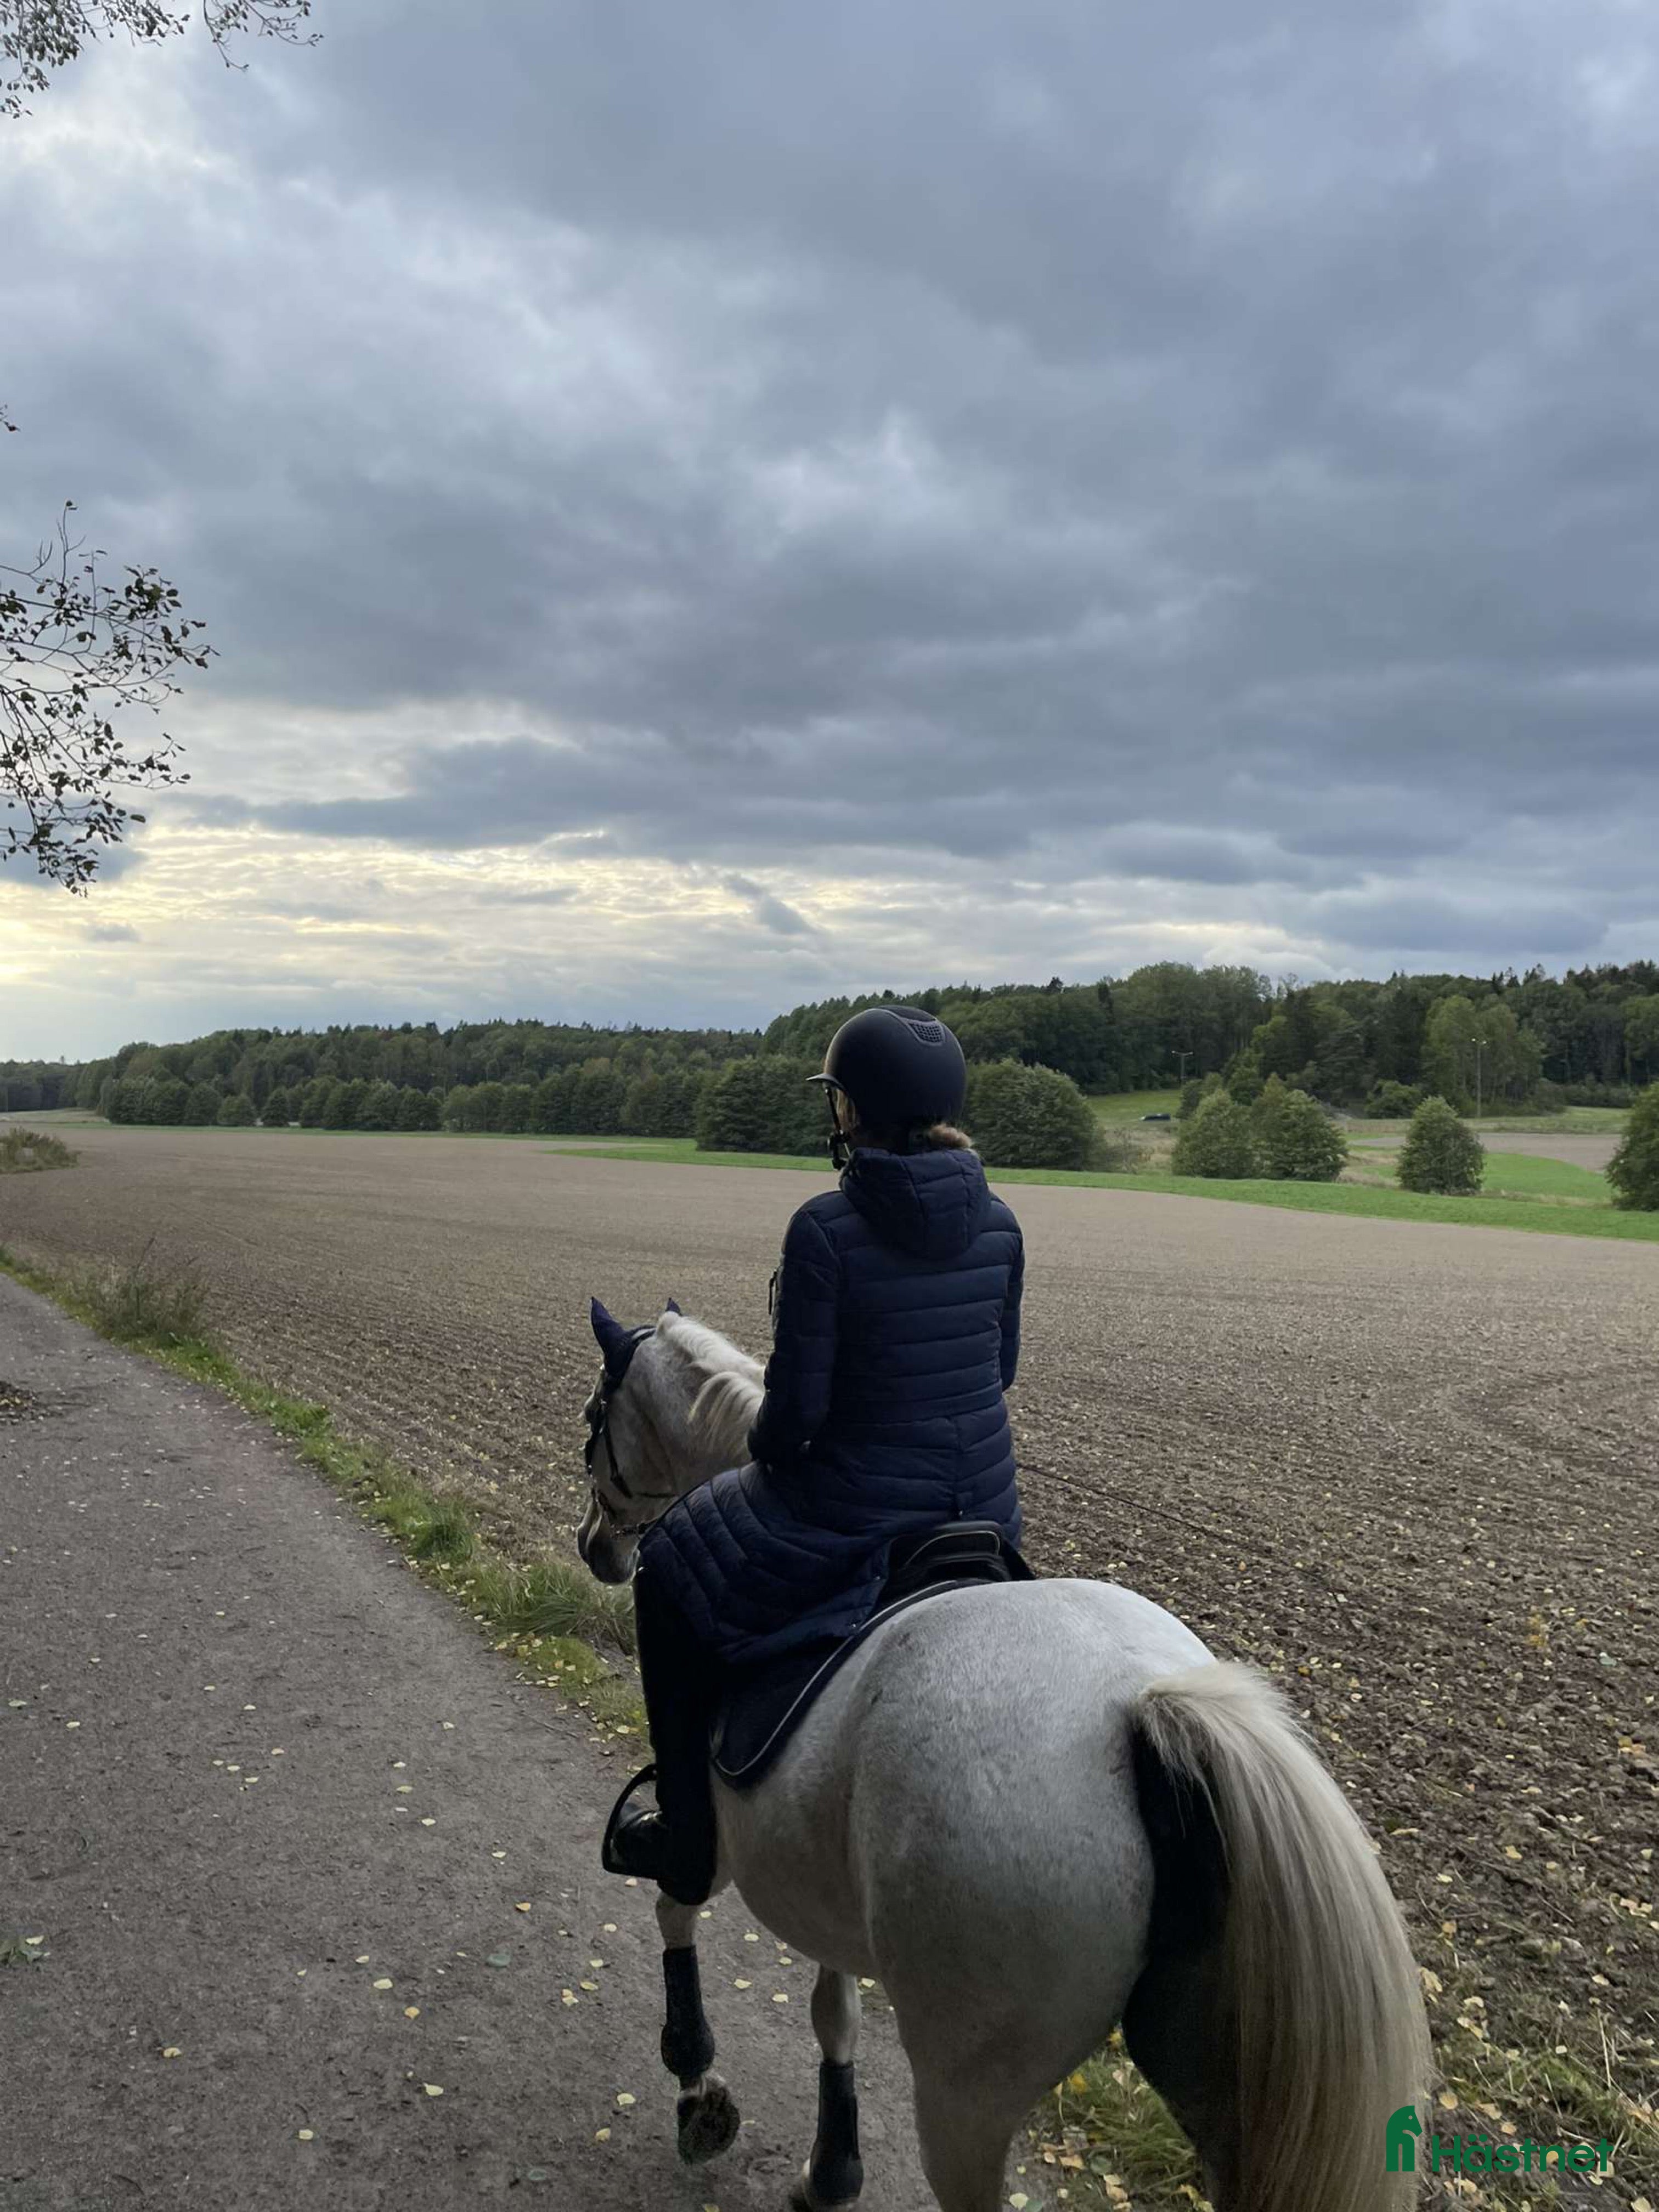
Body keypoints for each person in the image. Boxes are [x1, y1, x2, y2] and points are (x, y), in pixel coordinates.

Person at [603, 1005, 1025, 1905]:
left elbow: (792, 1420)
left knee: (669, 1568)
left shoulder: (825, 1229)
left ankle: (684, 1838)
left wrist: (760, 1442)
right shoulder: (1003, 1223)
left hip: (851, 1515)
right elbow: (1003, 1368)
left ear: (856, 1112)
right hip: (985, 1512)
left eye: (838, 1103)